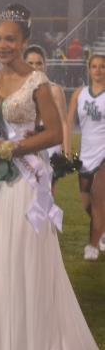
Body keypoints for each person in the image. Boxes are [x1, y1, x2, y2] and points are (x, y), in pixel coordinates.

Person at [0, 4, 105, 350]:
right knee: (2, 258)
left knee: (28, 259)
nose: (2, 45)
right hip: (1, 184)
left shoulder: (37, 82)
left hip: (27, 182)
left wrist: (10, 149)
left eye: (10, 39)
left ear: (23, 42)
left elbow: (55, 134)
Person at [67, 54, 105, 260]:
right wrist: (66, 150)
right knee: (86, 202)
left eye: (102, 67)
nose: (98, 70)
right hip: (85, 155)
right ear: (89, 70)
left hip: (103, 156)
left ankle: (92, 245)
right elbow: (68, 121)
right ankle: (103, 230)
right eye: (94, 67)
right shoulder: (79, 94)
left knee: (99, 197)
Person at [24, 44, 68, 195]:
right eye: (30, 63)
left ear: (45, 65)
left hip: (50, 145)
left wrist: (66, 152)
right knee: (28, 193)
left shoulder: (55, 90)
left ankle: (49, 219)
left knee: (48, 192)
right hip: (27, 144)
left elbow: (63, 122)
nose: (35, 67)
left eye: (39, 63)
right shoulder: (18, 91)